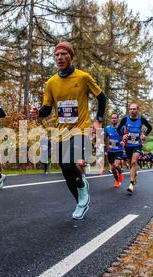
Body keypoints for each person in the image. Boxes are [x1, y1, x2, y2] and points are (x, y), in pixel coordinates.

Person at [30, 41, 106, 220]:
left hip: (82, 128)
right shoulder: (51, 83)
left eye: (64, 54)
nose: (60, 57)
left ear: (71, 56)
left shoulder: (83, 77)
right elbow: (47, 108)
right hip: (61, 131)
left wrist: (98, 121)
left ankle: (82, 193)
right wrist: (37, 113)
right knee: (65, 170)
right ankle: (81, 200)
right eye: (56, 55)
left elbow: (101, 98)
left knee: (68, 163)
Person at [116, 103, 152, 193]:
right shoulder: (125, 119)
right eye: (131, 109)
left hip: (137, 144)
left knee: (133, 162)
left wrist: (144, 135)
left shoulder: (141, 119)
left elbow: (150, 127)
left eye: (134, 109)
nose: (132, 110)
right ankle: (135, 175)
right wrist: (123, 135)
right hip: (128, 145)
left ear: (137, 110)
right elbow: (118, 129)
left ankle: (131, 184)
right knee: (131, 164)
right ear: (129, 110)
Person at [104, 113, 124, 188]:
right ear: (111, 119)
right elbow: (105, 138)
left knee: (116, 165)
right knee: (112, 168)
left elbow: (125, 136)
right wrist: (106, 148)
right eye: (112, 118)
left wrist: (123, 141)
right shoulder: (107, 128)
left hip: (119, 149)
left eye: (115, 118)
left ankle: (120, 173)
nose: (113, 119)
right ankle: (117, 181)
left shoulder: (121, 128)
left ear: (117, 119)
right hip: (110, 150)